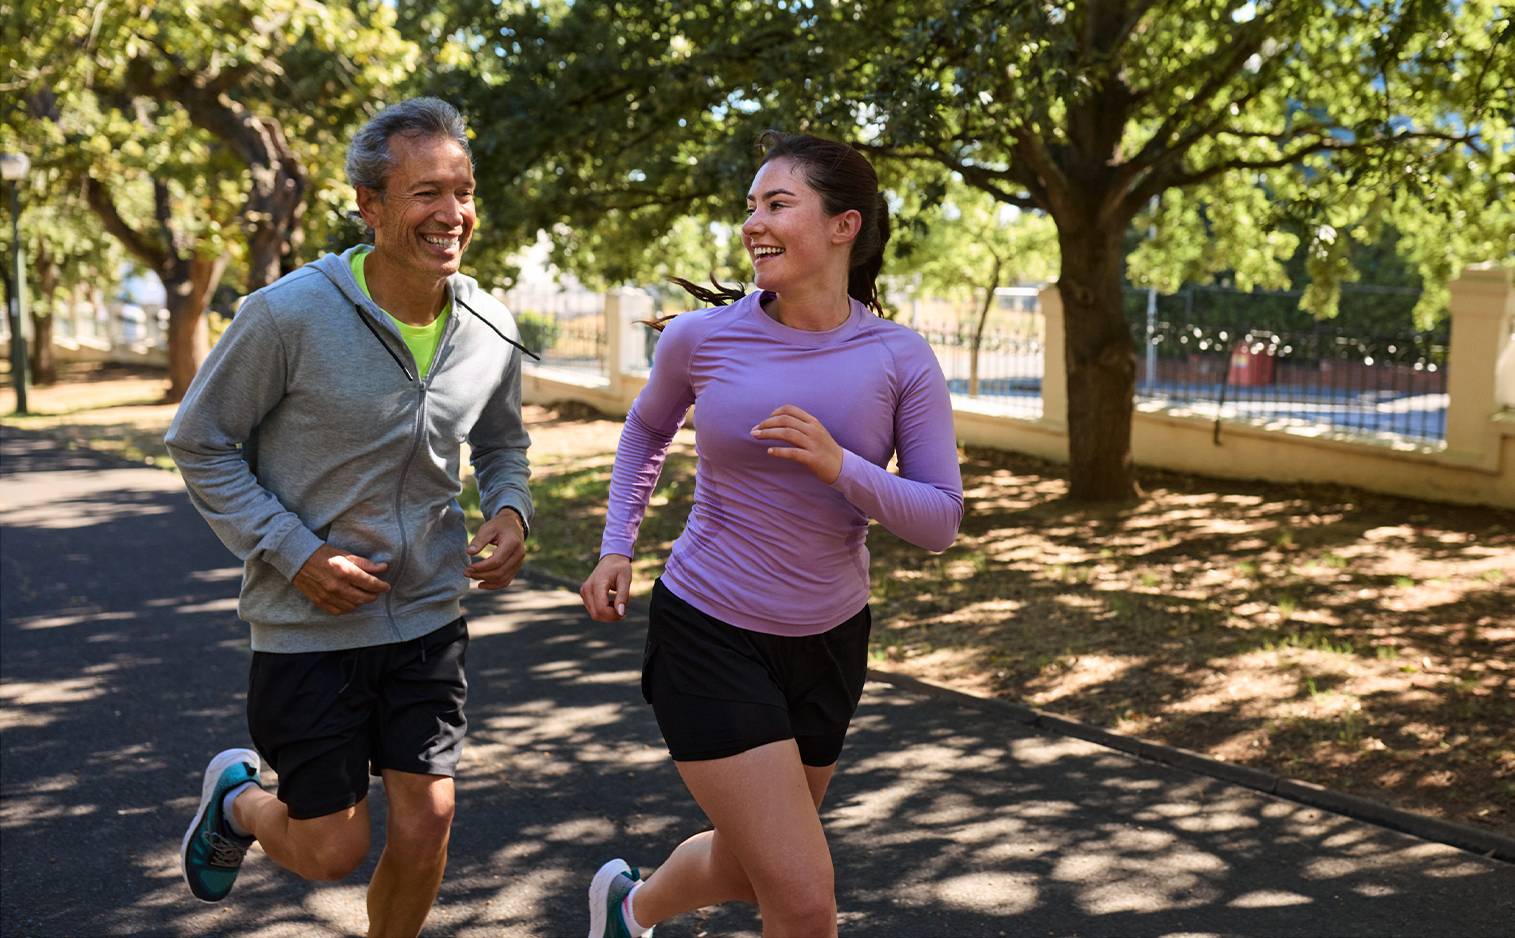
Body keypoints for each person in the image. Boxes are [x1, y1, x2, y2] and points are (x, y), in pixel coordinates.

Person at [579, 131, 964, 938]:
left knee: (755, 866)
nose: (753, 223)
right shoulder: (701, 338)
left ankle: (630, 908)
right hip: (708, 630)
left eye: (776, 204)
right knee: (801, 898)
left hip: (828, 640)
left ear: (842, 225)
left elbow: (939, 520)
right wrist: (618, 543)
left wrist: (841, 467)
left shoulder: (900, 358)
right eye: (750, 207)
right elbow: (644, 432)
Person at [164, 97, 533, 938]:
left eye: (463, 191)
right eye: (425, 193)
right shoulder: (286, 315)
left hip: (429, 614)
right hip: (308, 626)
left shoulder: (489, 324)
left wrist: (510, 507)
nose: (452, 214)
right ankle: (240, 803)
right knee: (331, 851)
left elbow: (505, 442)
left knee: (426, 822)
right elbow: (200, 440)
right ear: (369, 206)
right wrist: (293, 553)